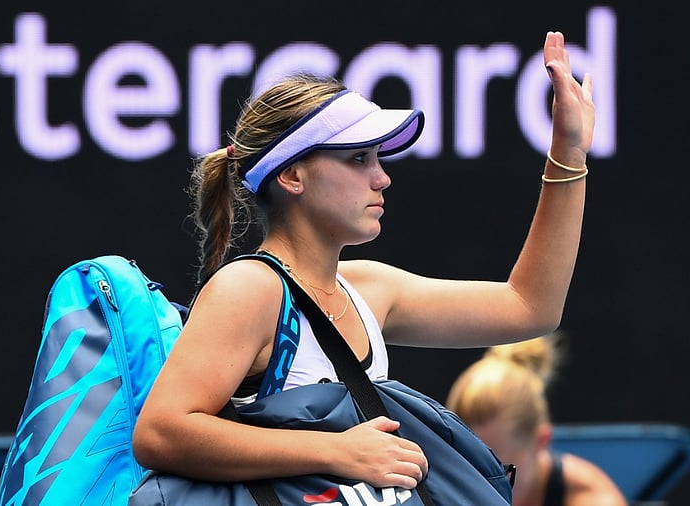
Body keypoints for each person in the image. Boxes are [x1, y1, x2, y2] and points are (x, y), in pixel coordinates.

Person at [132, 31, 594, 492]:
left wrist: (568, 152)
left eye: (377, 158)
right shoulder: (249, 289)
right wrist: (337, 451)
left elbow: (531, 307)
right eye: (358, 159)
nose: (382, 178)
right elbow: (161, 432)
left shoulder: (370, 289)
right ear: (293, 175)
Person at [446, 334, 627, 506]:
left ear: (541, 441)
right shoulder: (441, 485)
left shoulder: (593, 500)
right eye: (465, 466)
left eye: (497, 472)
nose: (477, 486)